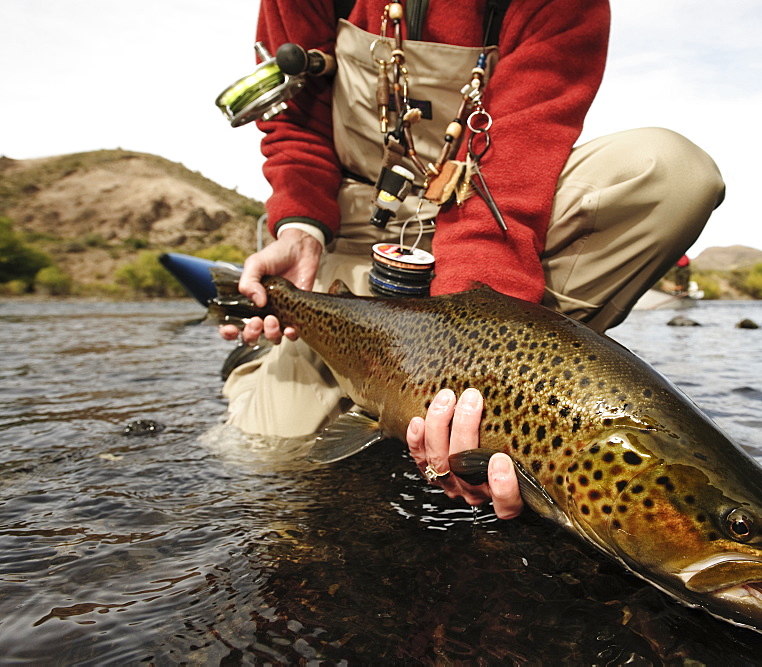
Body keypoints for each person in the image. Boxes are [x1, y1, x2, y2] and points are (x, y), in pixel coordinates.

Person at [219, 0, 725, 520]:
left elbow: (520, 153)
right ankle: (273, 362)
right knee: (265, 458)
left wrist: (466, 360)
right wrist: (301, 228)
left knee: (671, 172)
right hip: (355, 225)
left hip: (492, 217)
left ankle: (508, 413)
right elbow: (295, 128)